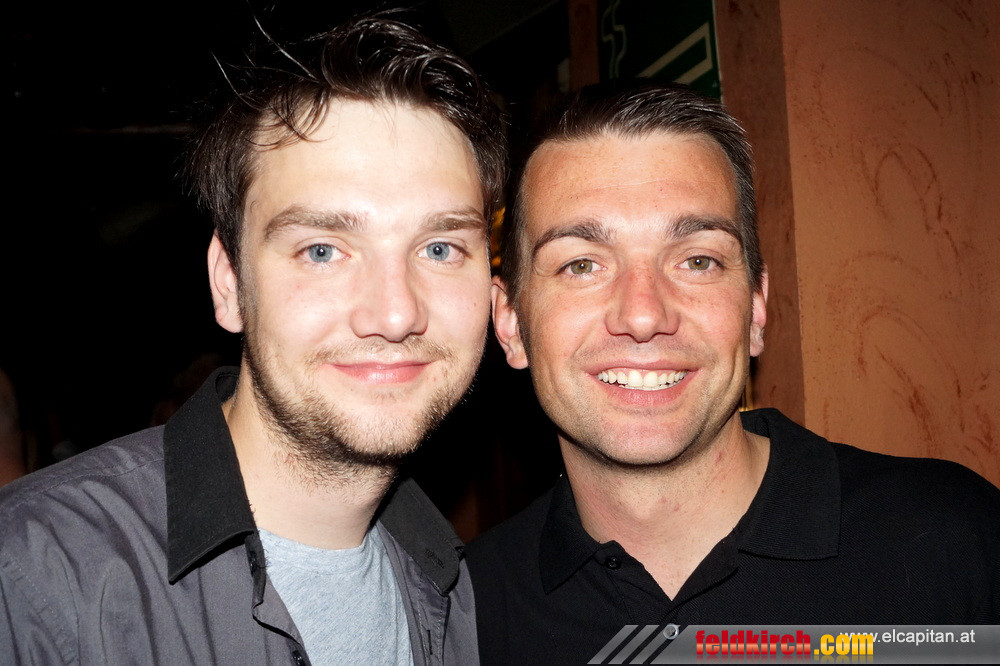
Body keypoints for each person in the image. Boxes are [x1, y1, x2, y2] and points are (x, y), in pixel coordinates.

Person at [0, 16, 504, 665]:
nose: (395, 312)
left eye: (439, 248)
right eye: (322, 250)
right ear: (229, 283)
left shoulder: (464, 594)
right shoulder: (36, 576)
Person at [466, 80, 1000, 664]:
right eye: (581, 265)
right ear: (510, 321)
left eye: (698, 260)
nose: (643, 315)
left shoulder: (954, 544)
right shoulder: (467, 615)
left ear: (756, 309)